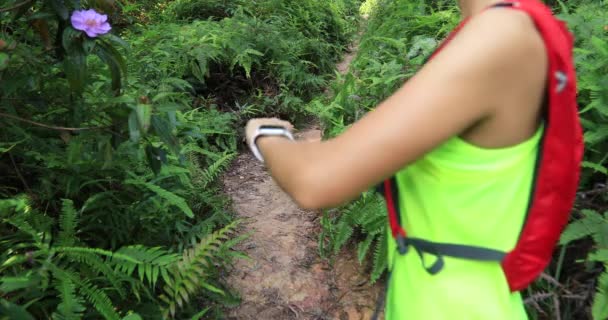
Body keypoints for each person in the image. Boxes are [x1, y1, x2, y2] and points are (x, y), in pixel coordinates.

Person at [244, 0, 581, 318]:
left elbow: (314, 180)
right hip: (440, 296)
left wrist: (265, 136)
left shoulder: (502, 36)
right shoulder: (499, 29)